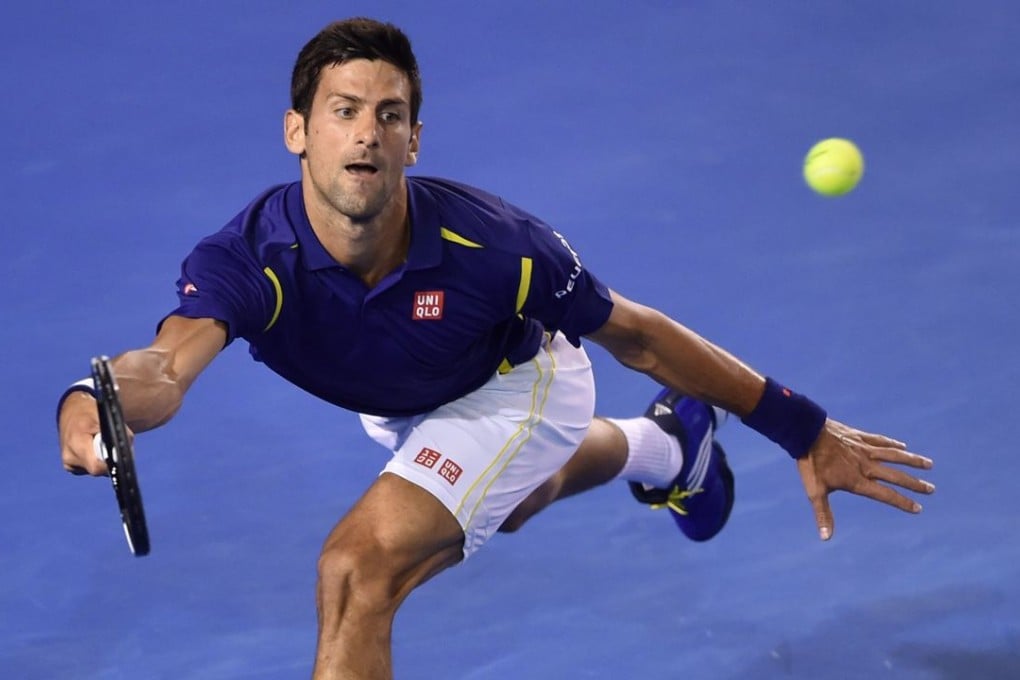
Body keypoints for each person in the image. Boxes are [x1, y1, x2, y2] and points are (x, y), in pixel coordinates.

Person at [56, 17, 935, 680]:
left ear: (413, 138)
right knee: (509, 501)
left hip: (518, 383)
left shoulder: (497, 248)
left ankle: (664, 443)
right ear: (298, 131)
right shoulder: (249, 260)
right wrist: (97, 401)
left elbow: (636, 334)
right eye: (343, 111)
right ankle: (671, 445)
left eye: (389, 115)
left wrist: (800, 428)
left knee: (358, 570)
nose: (365, 133)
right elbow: (165, 365)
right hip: (402, 397)